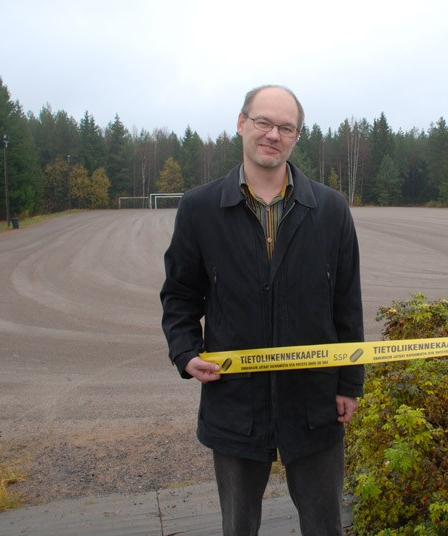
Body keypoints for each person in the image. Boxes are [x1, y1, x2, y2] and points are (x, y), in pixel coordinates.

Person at [160, 84, 364, 536]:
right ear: (241, 124)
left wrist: (350, 383)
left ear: (296, 136)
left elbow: (347, 304)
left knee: (325, 525)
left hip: (314, 403)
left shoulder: (330, 209)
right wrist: (184, 350)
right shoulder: (199, 209)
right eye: (264, 123)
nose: (273, 134)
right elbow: (179, 295)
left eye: (286, 127)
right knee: (237, 527)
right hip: (234, 403)